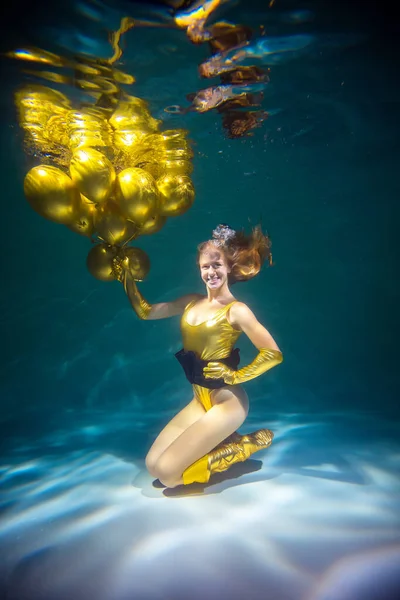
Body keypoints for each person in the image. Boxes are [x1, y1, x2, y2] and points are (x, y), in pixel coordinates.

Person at [120, 224, 283, 488]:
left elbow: (273, 354)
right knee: (153, 466)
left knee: (170, 476)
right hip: (200, 399)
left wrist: (236, 374)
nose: (211, 272)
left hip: (227, 403)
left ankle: (244, 445)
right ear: (199, 269)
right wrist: (125, 276)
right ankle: (226, 440)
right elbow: (146, 311)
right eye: (205, 267)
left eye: (217, 265)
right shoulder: (191, 302)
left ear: (229, 267)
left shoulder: (236, 310)